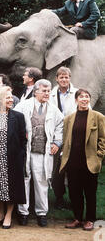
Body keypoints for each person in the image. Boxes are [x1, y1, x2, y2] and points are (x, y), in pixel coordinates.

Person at [14, 79, 64, 227]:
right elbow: (14, 121)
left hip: (43, 152)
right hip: (26, 150)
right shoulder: (23, 106)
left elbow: (60, 127)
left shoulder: (54, 110)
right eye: (44, 90)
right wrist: (21, 135)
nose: (47, 93)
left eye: (48, 91)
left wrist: (57, 142)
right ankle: (23, 212)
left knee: (41, 182)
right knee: (25, 180)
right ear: (35, 91)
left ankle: (42, 213)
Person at [60, 89, 105, 231]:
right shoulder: (69, 119)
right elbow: (66, 138)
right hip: (72, 161)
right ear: (76, 100)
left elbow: (103, 138)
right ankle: (78, 218)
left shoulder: (98, 117)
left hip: (90, 161)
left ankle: (90, 220)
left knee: (90, 192)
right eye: (81, 97)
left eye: (87, 97)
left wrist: (99, 155)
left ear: (89, 100)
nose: (84, 99)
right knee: (74, 191)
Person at [0, 86, 26, 229]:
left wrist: (20, 156)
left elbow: (23, 139)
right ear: (0, 99)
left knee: (11, 187)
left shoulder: (18, 117)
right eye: (8, 97)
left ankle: (8, 215)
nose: (11, 100)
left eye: (11, 97)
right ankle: (0, 214)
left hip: (12, 158)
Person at [49, 66, 78, 209]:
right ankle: (59, 198)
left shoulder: (78, 93)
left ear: (69, 78)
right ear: (57, 79)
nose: (64, 80)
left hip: (74, 135)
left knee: (73, 169)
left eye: (66, 77)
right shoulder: (52, 93)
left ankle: (74, 200)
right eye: (61, 77)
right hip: (56, 135)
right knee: (57, 170)